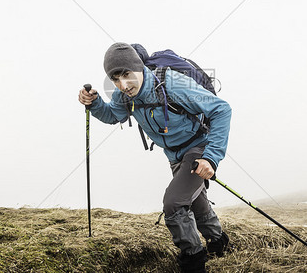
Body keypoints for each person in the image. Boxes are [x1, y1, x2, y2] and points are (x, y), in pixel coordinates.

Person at [78, 42, 232, 273]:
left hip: (198, 147)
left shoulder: (172, 84)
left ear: (138, 67)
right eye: (115, 79)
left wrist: (210, 158)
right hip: (173, 154)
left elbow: (221, 110)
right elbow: (113, 116)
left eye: (127, 75)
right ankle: (220, 244)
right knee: (196, 202)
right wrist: (96, 103)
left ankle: (193, 261)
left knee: (174, 204)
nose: (123, 84)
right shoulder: (125, 95)